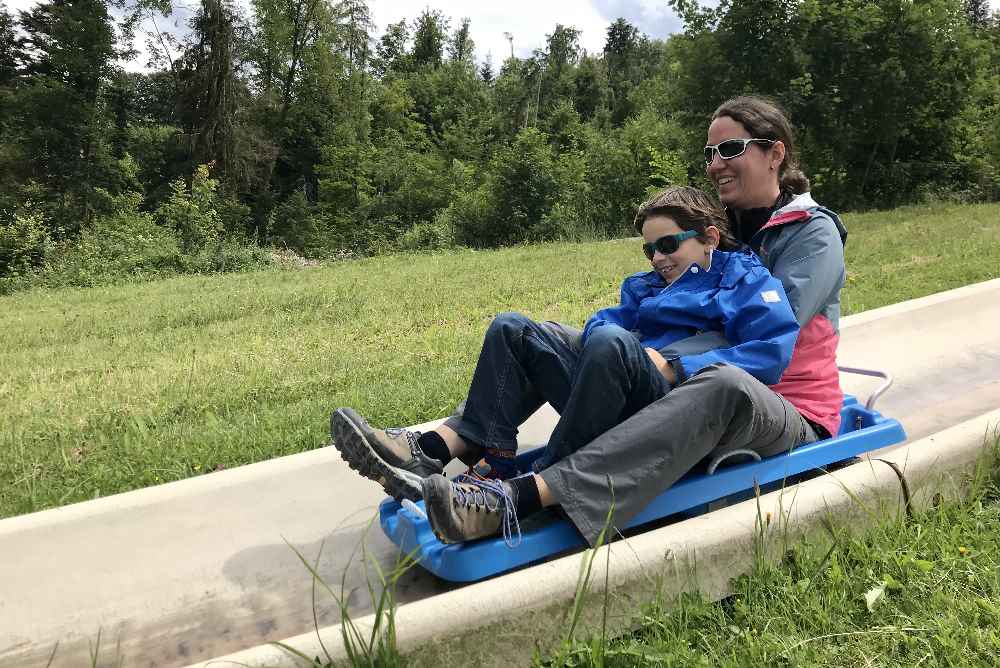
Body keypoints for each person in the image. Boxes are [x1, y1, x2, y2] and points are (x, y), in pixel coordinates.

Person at [332, 186, 805, 544]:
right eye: (649, 249)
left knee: (612, 344)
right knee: (514, 328)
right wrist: (577, 342)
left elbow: (771, 350)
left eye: (668, 245)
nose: (657, 258)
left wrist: (677, 364)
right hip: (627, 389)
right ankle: (441, 450)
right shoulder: (644, 288)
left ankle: (521, 496)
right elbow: (604, 325)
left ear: (709, 239)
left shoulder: (743, 278)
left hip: (681, 405)